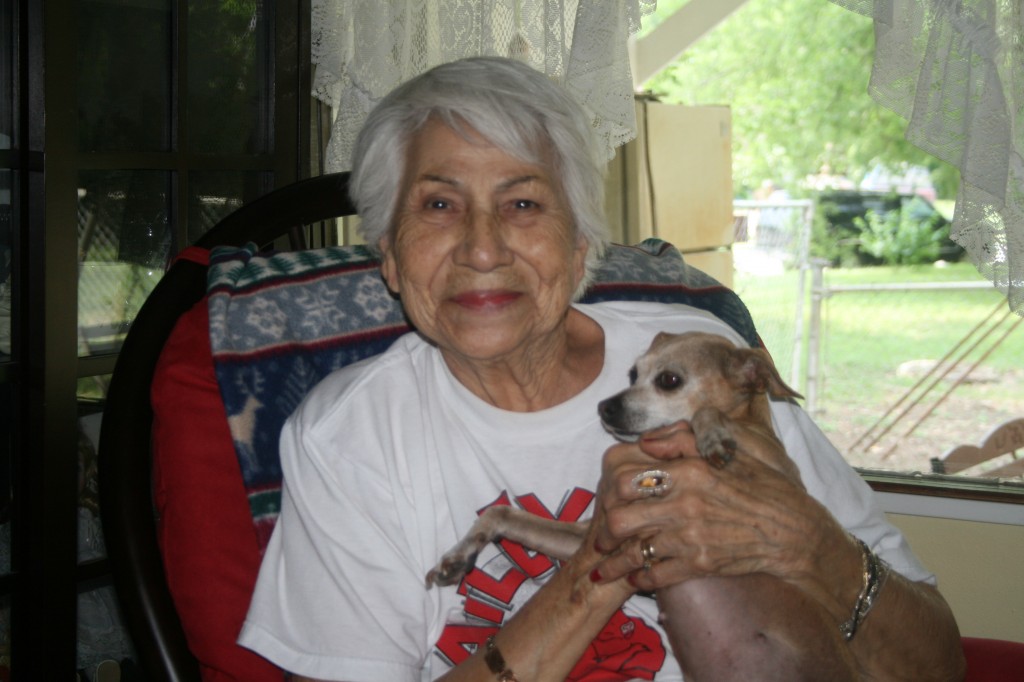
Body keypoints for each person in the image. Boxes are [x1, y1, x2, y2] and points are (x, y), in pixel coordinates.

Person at [239, 56, 964, 681]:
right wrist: (601, 565)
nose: (483, 247)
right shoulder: (346, 437)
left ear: (582, 249)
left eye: (523, 203)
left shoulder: (697, 358)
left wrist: (811, 546)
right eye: (439, 204)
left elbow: (936, 664)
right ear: (390, 258)